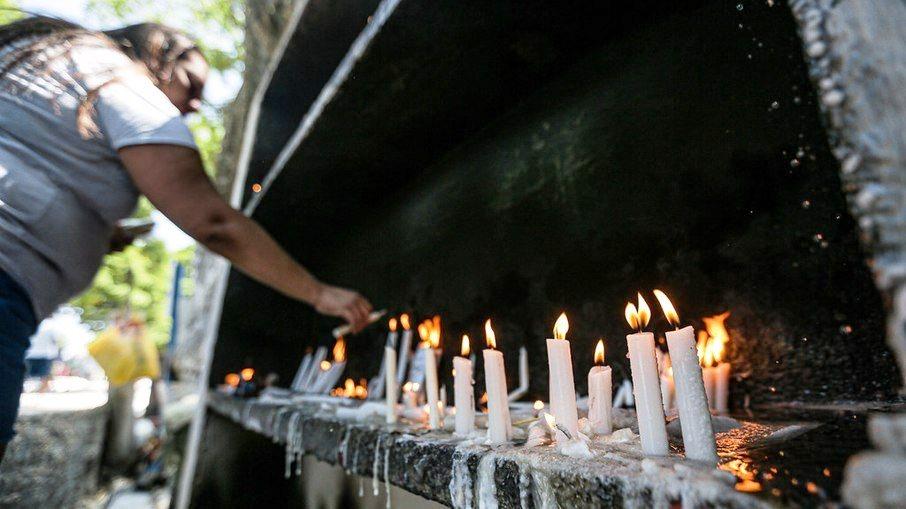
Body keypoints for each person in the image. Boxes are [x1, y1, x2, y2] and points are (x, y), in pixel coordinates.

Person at [0, 17, 373, 463]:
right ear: (158, 55)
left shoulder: (52, 65)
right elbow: (213, 222)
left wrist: (99, 230)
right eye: (192, 82)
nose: (195, 105)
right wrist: (319, 293)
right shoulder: (118, 78)